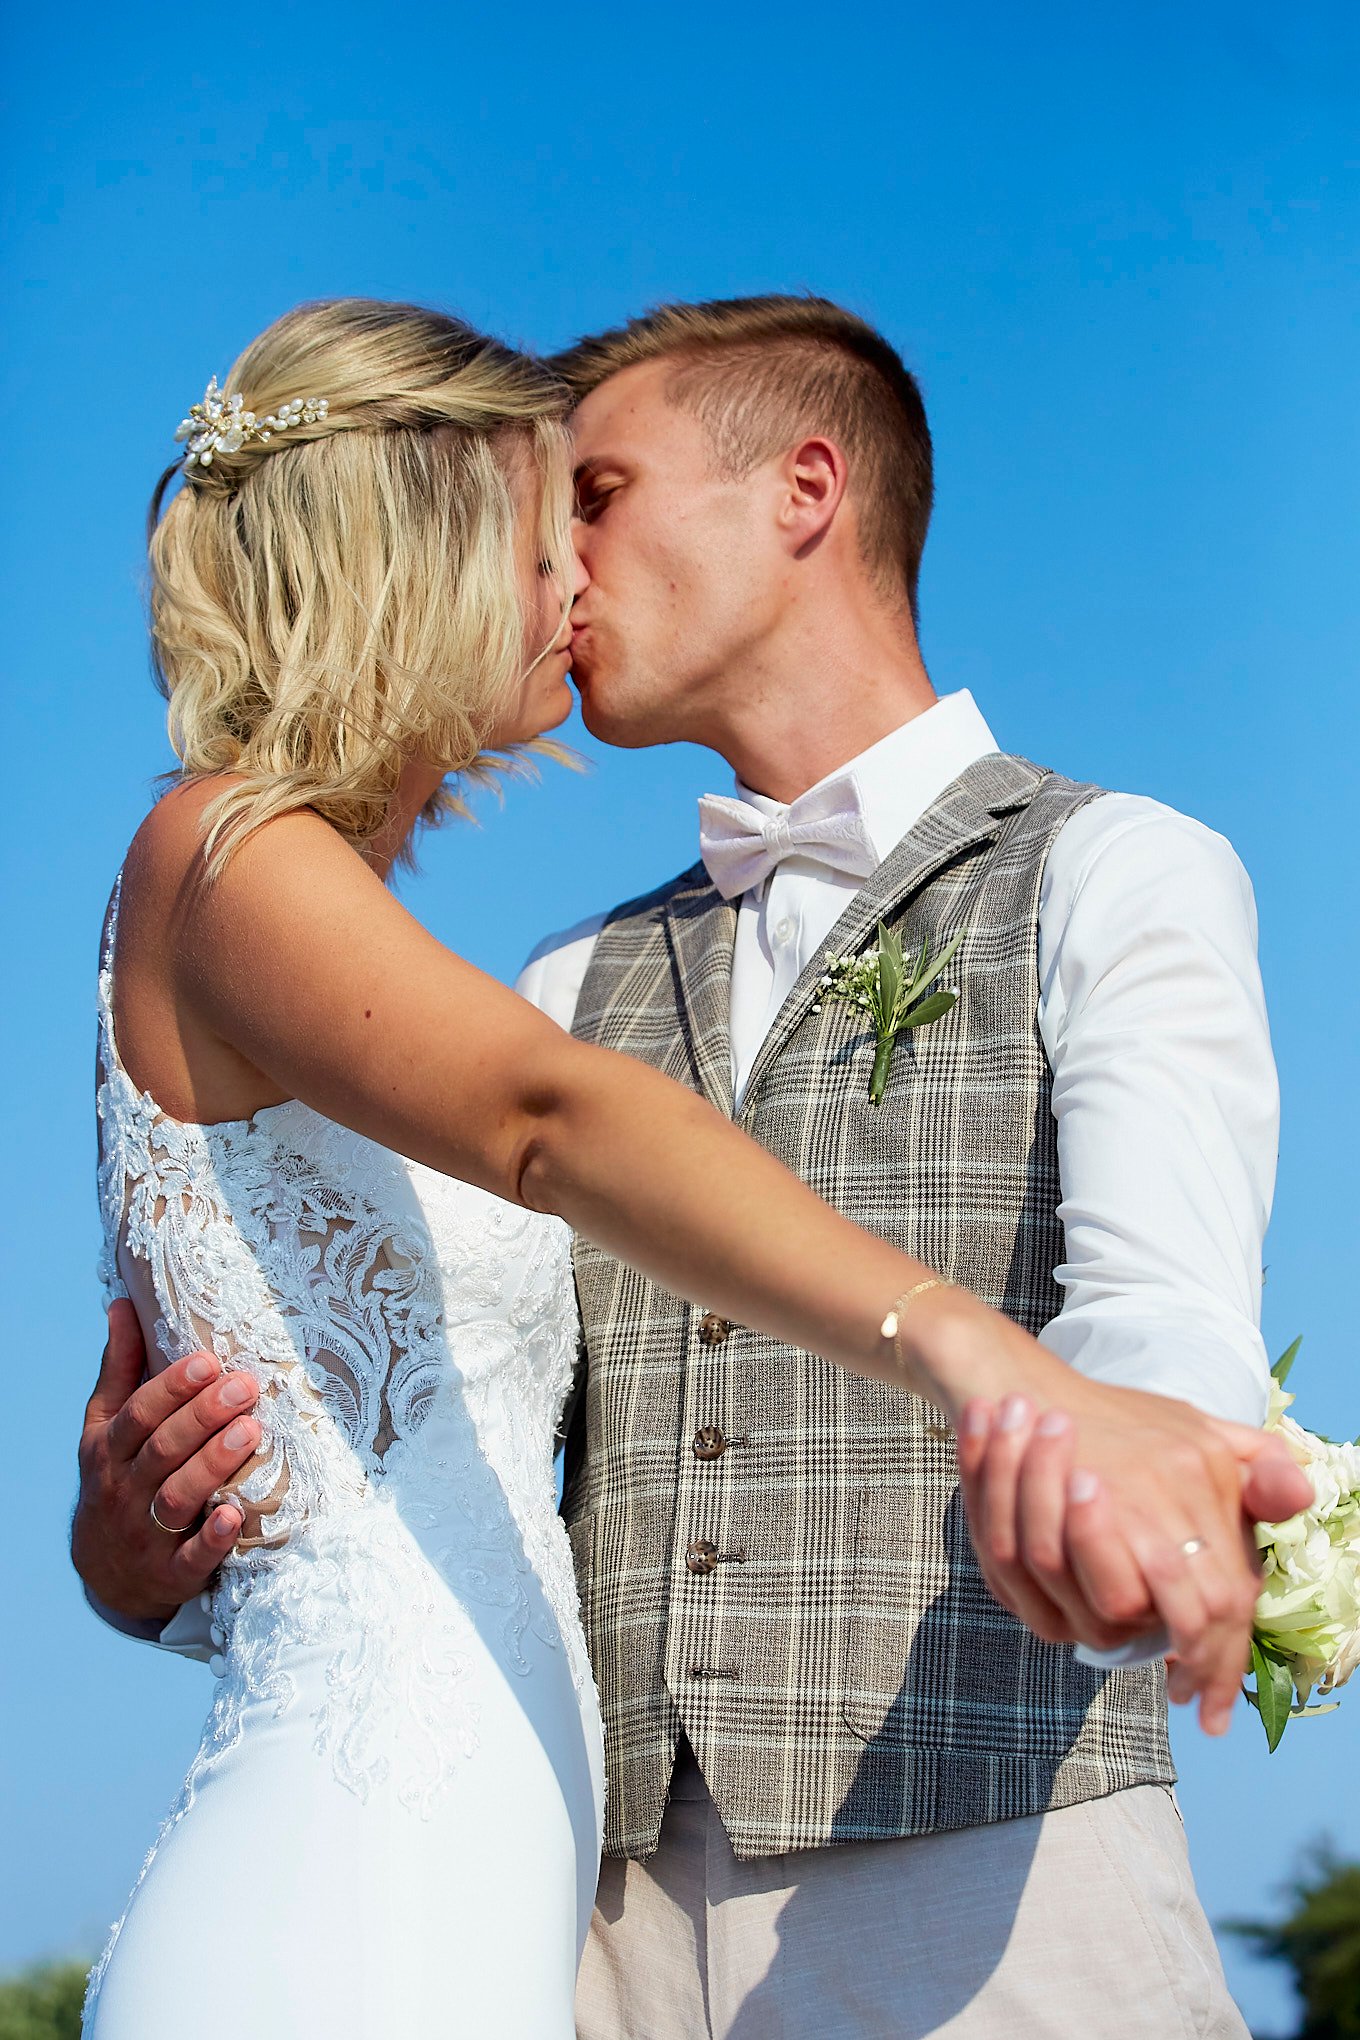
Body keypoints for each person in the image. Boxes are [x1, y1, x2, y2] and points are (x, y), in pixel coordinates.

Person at [74, 295, 1308, 2040]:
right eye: (537, 510)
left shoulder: (1119, 868)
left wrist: (1142, 1509)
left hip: (990, 1885)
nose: (562, 565)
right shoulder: (552, 990)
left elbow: (1160, 1308)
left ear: (805, 490)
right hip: (602, 1939)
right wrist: (134, 1557)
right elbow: (438, 1425)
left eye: (602, 492)